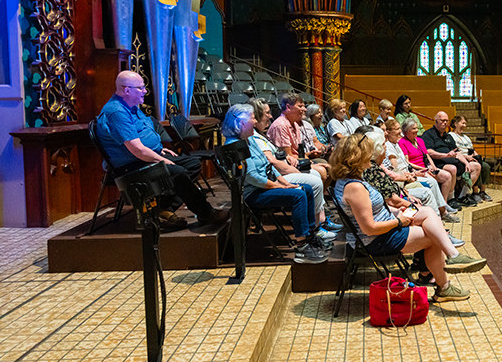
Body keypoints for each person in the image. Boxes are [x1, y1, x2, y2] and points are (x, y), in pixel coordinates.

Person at [330, 134, 487, 301]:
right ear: (357, 157)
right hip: (378, 239)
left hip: (388, 222)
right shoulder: (355, 187)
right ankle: (444, 285)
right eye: (368, 152)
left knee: (426, 211)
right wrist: (399, 221)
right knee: (433, 237)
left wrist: (403, 208)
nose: (372, 155)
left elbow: (372, 209)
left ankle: (453, 256)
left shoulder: (352, 179)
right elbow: (369, 228)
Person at [94, 71, 229, 230]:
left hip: (143, 158)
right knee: (177, 171)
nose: (145, 91)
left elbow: (144, 138)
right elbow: (138, 150)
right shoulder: (117, 112)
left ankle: (163, 209)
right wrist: (160, 159)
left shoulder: (131, 107)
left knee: (192, 163)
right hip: (131, 165)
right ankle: (206, 212)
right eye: (141, 88)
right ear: (127, 90)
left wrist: (159, 150)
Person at [220, 104, 329, 264]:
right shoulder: (234, 145)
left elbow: (268, 165)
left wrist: (285, 182)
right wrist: (281, 187)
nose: (256, 121)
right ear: (242, 124)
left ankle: (310, 235)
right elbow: (253, 178)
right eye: (253, 119)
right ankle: (302, 249)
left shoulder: (249, 139)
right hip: (252, 194)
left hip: (264, 187)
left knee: (305, 189)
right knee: (298, 195)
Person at [358, 129, 464, 246]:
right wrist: (409, 204)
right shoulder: (372, 170)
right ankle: (442, 234)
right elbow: (391, 200)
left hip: (395, 210)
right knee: (424, 208)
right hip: (394, 216)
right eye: (383, 144)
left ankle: (442, 233)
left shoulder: (375, 167)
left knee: (424, 209)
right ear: (377, 149)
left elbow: (391, 191)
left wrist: (406, 194)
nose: (386, 147)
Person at [256, 95, 339, 238]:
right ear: (288, 107)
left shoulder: (295, 123)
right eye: (300, 106)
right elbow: (281, 159)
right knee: (318, 175)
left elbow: (293, 155)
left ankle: (319, 217)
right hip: (283, 169)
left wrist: (309, 158)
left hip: (290, 164)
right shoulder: (280, 125)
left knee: (327, 169)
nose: (304, 109)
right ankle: (317, 223)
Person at [382, 119, 459, 222]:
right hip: (401, 183)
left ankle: (441, 212)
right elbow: (395, 174)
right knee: (429, 186)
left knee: (437, 179)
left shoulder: (396, 144)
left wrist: (428, 168)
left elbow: (401, 168)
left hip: (406, 178)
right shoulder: (393, 147)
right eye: (397, 129)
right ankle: (437, 219)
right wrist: (413, 175)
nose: (399, 132)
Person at [397, 118, 460, 209]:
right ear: (406, 131)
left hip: (427, 168)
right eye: (413, 128)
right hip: (418, 170)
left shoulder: (419, 140)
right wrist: (424, 170)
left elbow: (427, 156)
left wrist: (433, 168)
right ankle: (440, 208)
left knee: (447, 176)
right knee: (432, 179)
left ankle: (444, 203)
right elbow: (407, 162)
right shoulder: (402, 142)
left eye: (416, 128)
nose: (416, 130)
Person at [421, 111, 481, 206]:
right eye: (442, 121)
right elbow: (428, 152)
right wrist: (445, 155)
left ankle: (462, 196)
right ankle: (450, 199)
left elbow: (457, 152)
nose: (445, 123)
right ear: (436, 121)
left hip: (454, 161)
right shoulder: (428, 134)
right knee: (452, 168)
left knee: (476, 166)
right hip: (438, 163)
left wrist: (466, 163)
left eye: (446, 121)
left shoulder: (447, 136)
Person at [448, 115, 492, 201]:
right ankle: (474, 193)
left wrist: (478, 156)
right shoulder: (451, 135)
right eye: (463, 123)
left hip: (471, 158)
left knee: (485, 166)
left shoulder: (466, 138)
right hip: (460, 159)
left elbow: (472, 149)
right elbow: (454, 152)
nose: (465, 125)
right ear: (455, 123)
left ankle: (482, 192)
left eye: (465, 124)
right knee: (476, 165)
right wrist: (467, 157)